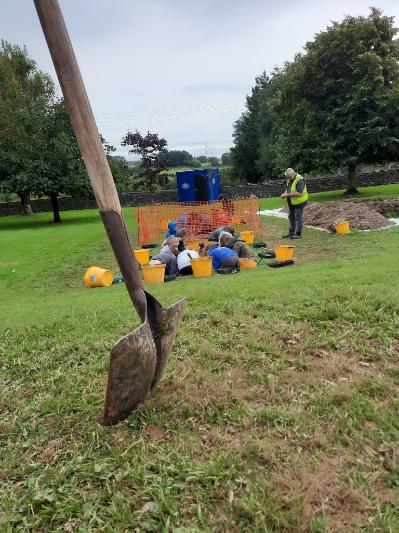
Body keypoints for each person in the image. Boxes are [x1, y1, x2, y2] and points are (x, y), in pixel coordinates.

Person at [280, 168, 308, 239]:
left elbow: (299, 193)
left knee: (298, 218)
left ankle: (298, 234)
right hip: (291, 202)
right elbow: (288, 188)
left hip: (299, 202)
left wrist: (286, 195)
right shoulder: (289, 179)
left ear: (293, 173)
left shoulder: (300, 180)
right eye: (287, 177)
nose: (288, 178)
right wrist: (285, 193)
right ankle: (291, 233)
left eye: (289, 177)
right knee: (291, 217)